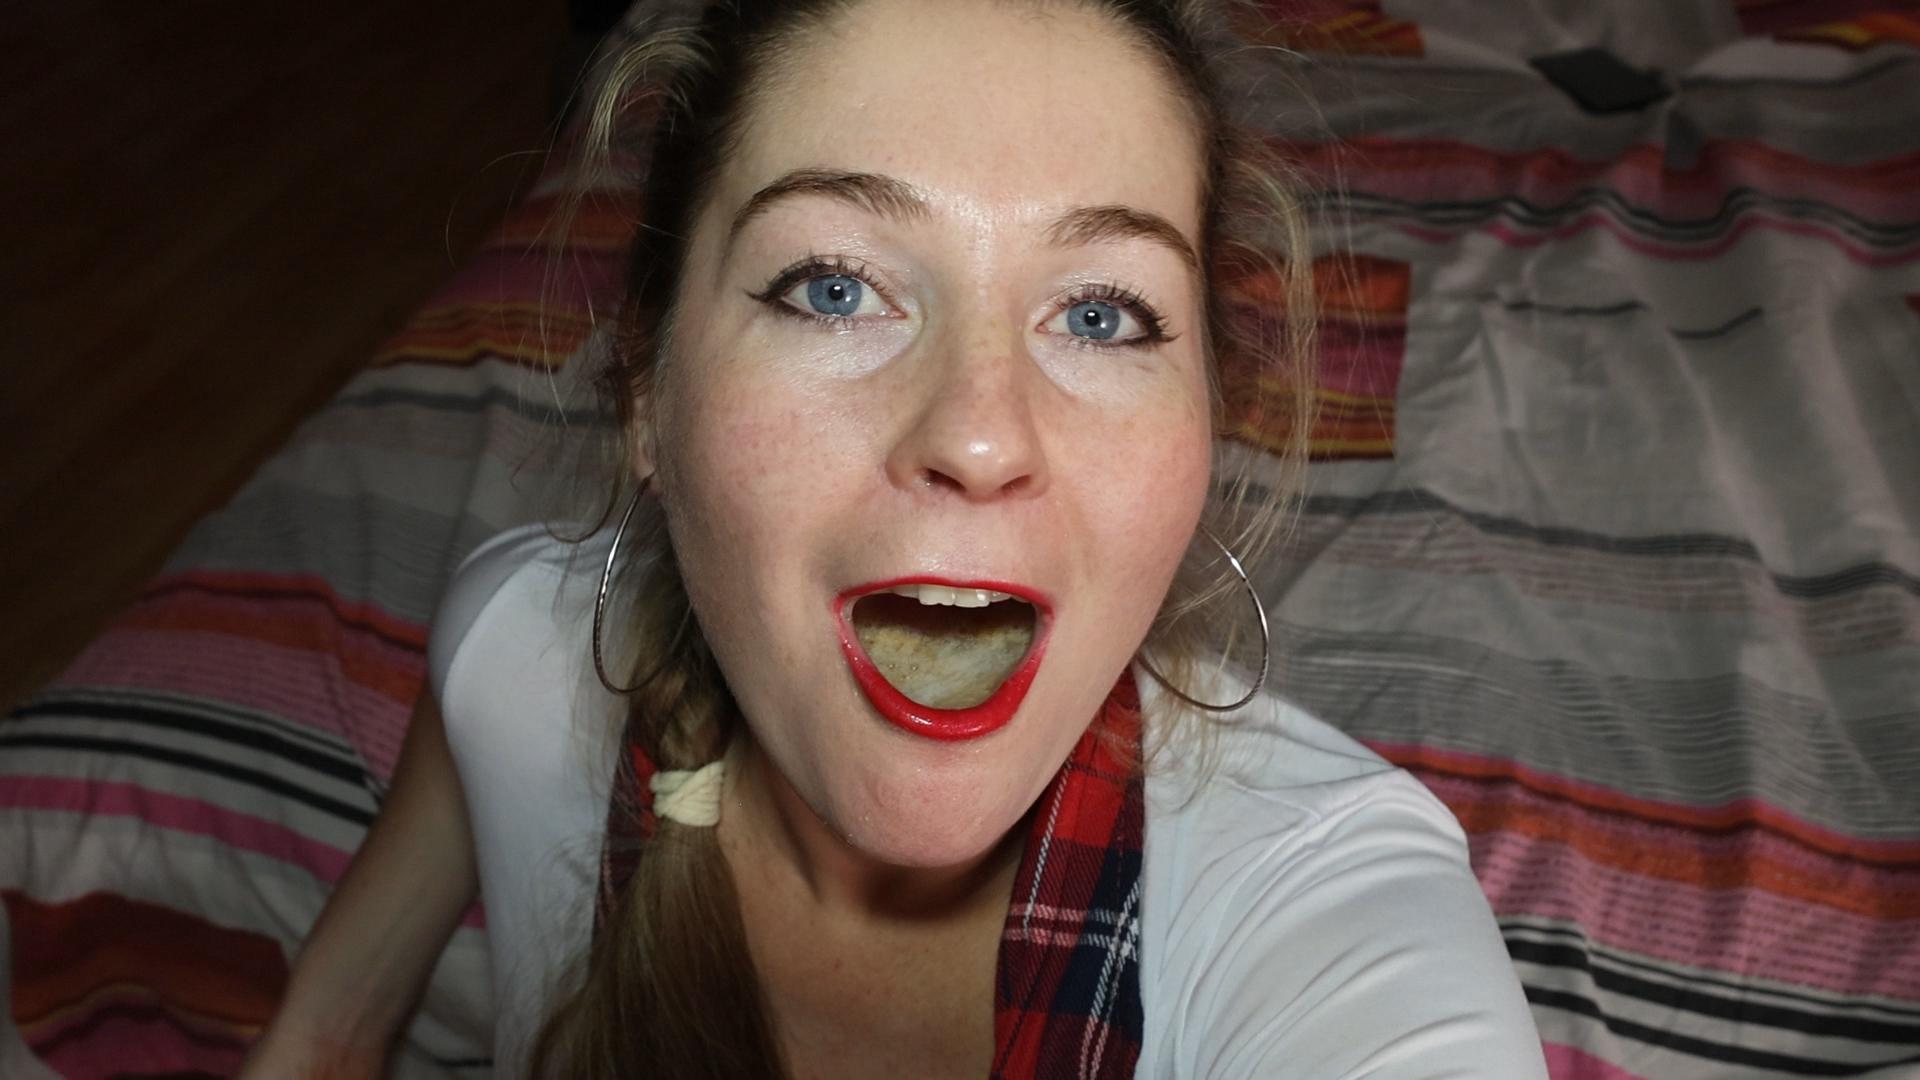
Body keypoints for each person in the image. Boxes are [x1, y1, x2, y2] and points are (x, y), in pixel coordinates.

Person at [248, 0, 1550, 1076]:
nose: (979, 436)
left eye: (1100, 315)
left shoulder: (1333, 937)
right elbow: (328, 1035)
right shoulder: (516, 656)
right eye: (834, 288)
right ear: (647, 392)